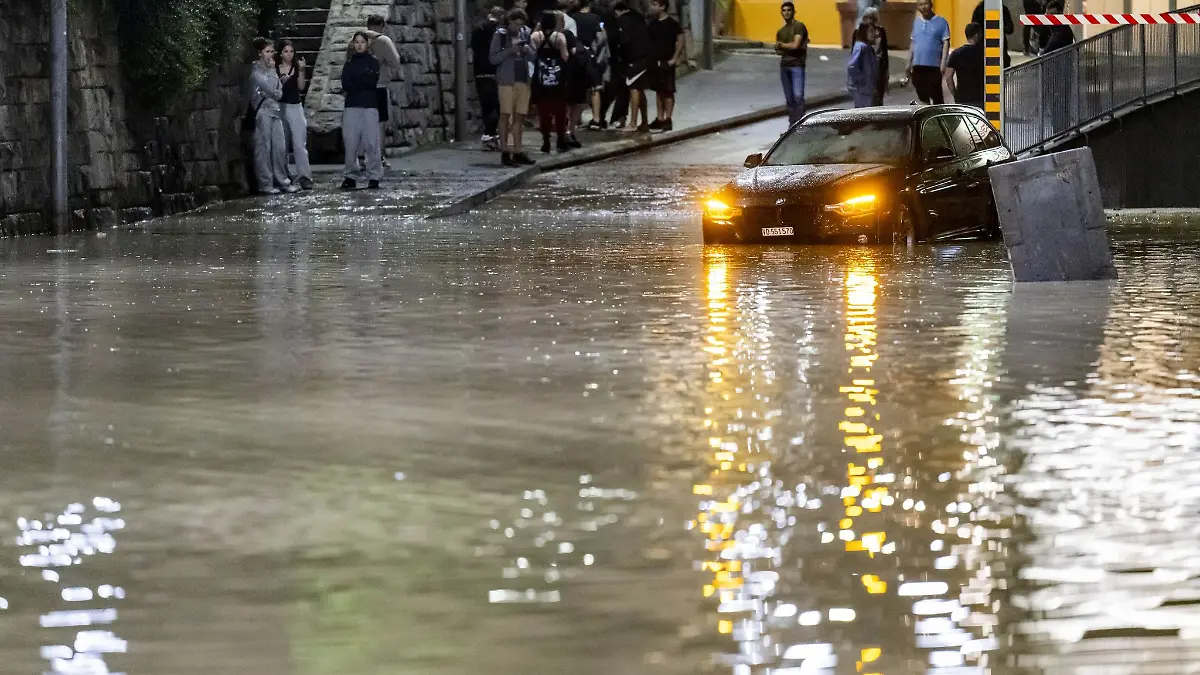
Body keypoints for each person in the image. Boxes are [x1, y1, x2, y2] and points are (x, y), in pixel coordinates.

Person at [249, 38, 299, 195]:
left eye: (272, 51)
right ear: (260, 53)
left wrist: (275, 86)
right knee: (264, 148)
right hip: (262, 112)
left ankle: (282, 181)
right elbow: (272, 88)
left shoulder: (271, 69)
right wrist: (273, 80)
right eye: (267, 51)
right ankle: (265, 183)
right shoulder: (256, 70)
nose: (271, 55)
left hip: (275, 110)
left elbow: (279, 92)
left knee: (279, 147)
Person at [491, 8, 538, 166]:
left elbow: (534, 55)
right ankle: (505, 150)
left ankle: (518, 150)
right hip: (506, 80)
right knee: (505, 114)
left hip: (523, 79)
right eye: (515, 24)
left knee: (520, 116)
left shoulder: (526, 33)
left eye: (520, 24)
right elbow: (493, 58)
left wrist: (527, 50)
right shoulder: (501, 35)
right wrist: (511, 51)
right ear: (509, 22)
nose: (518, 27)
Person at [340, 32, 383, 190]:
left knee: (371, 142)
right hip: (352, 105)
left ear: (367, 44)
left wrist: (358, 81)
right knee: (351, 143)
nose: (359, 45)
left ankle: (374, 175)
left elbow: (371, 81)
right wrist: (362, 80)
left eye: (362, 42)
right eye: (356, 42)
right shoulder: (349, 63)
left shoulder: (373, 62)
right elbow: (346, 84)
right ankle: (350, 175)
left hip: (369, 105)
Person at [532, 11, 572, 153]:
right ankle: (560, 138)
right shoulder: (559, 37)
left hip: (541, 78)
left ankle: (546, 140)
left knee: (543, 110)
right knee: (559, 109)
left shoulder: (536, 37)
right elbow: (565, 56)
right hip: (557, 78)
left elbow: (531, 55)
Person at [275, 40, 312, 191]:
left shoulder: (297, 67)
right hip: (279, 107)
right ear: (280, 53)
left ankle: (305, 176)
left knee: (299, 143)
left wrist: (302, 71)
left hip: (295, 106)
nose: (289, 54)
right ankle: (284, 176)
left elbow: (301, 87)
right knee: (281, 144)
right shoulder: (275, 68)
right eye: (286, 51)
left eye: (291, 51)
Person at [365, 15, 401, 168]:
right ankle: (377, 157)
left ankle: (361, 157)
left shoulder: (357, 39)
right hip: (379, 86)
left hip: (361, 88)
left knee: (362, 123)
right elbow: (395, 61)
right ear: (381, 26)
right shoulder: (383, 40)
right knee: (379, 123)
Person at [613, 1, 652, 132]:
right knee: (640, 89)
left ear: (618, 11)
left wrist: (620, 54)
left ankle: (633, 123)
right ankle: (644, 121)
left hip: (633, 59)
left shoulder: (624, 20)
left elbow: (624, 40)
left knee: (634, 88)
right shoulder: (639, 19)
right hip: (645, 57)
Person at [647, 0, 684, 132]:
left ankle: (668, 119)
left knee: (668, 90)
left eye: (654, 5)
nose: (651, 7)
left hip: (667, 61)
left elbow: (680, 40)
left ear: (662, 7)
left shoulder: (672, 24)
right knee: (658, 90)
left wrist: (674, 58)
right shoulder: (652, 24)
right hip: (655, 62)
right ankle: (660, 118)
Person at [473, 7, 506, 150]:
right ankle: (491, 134)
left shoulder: (477, 29)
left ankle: (489, 135)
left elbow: (473, 46)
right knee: (499, 106)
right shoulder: (501, 30)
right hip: (497, 71)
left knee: (486, 106)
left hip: (480, 70)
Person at [906, 0, 950, 104]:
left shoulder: (941, 22)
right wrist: (909, 62)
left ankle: (938, 116)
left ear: (931, 5)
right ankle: (926, 112)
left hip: (934, 66)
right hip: (918, 65)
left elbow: (946, 43)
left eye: (925, 4)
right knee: (921, 93)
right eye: (920, 5)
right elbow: (913, 42)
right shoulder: (916, 22)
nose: (923, 7)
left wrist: (943, 62)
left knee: (936, 95)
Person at [572, 0, 608, 130]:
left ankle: (575, 119)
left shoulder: (573, 18)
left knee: (577, 88)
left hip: (577, 55)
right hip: (591, 56)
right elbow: (601, 38)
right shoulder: (595, 18)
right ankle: (597, 119)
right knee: (595, 88)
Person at [775, 1, 809, 125]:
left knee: (798, 96)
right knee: (789, 99)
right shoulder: (781, 31)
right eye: (784, 10)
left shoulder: (799, 26)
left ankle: (801, 125)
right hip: (784, 66)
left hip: (797, 65)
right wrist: (782, 46)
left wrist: (782, 45)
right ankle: (792, 124)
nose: (786, 12)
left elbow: (795, 45)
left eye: (789, 10)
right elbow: (778, 50)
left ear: (794, 12)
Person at [944, 22, 984, 108]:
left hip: (963, 98)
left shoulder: (956, 53)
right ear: (977, 35)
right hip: (981, 97)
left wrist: (955, 94)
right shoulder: (984, 53)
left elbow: (948, 77)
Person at [971, 0, 1013, 67]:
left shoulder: (979, 9)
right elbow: (1010, 29)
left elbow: (973, 31)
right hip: (998, 49)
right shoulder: (1003, 9)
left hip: (985, 50)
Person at [861, 8, 889, 106]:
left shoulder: (881, 31)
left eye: (872, 18)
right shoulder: (860, 32)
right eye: (867, 17)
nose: (869, 20)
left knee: (879, 94)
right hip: (866, 67)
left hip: (879, 66)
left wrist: (886, 72)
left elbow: (884, 51)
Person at [847, 22, 878, 108]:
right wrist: (862, 80)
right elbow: (852, 66)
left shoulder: (868, 48)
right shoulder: (861, 47)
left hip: (867, 89)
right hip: (861, 90)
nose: (874, 34)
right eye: (871, 31)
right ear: (864, 32)